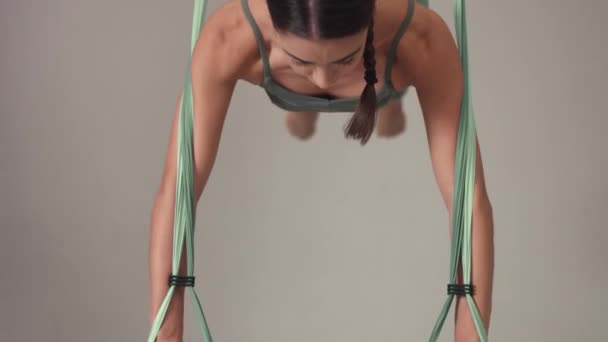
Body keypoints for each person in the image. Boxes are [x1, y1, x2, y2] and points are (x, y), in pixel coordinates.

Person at [148, 0, 494, 341]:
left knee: (388, 108)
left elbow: (469, 198)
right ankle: (306, 108)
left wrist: (470, 333)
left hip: (386, 70)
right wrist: (167, 330)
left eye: (346, 58)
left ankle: (383, 105)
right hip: (339, 72)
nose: (323, 77)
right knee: (303, 122)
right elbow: (178, 190)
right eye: (301, 60)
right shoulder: (229, 36)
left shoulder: (419, 37)